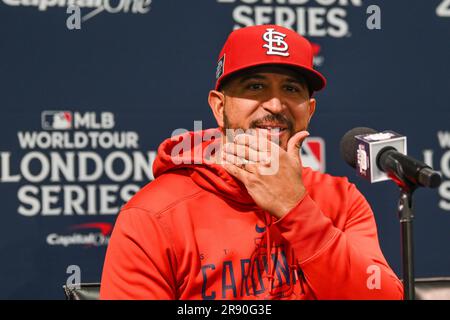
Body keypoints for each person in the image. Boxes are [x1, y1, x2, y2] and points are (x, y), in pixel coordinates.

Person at [100, 24, 403, 300]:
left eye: (290, 89)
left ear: (309, 110)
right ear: (220, 107)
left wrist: (296, 209)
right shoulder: (153, 215)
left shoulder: (341, 200)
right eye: (255, 86)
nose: (275, 104)